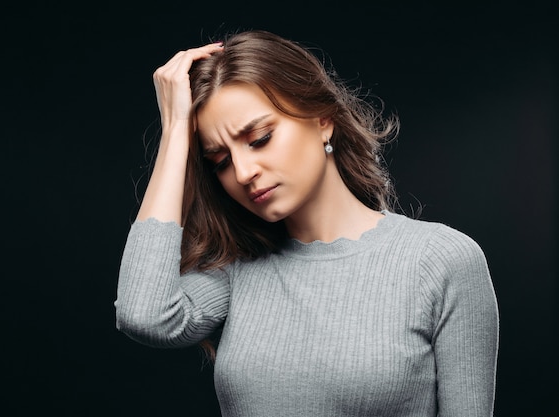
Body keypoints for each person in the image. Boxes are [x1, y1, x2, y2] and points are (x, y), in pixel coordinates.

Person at [115, 30, 499, 416]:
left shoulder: (441, 261)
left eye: (260, 138)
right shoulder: (239, 271)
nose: (245, 172)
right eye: (221, 162)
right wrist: (175, 132)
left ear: (322, 119)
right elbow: (144, 315)